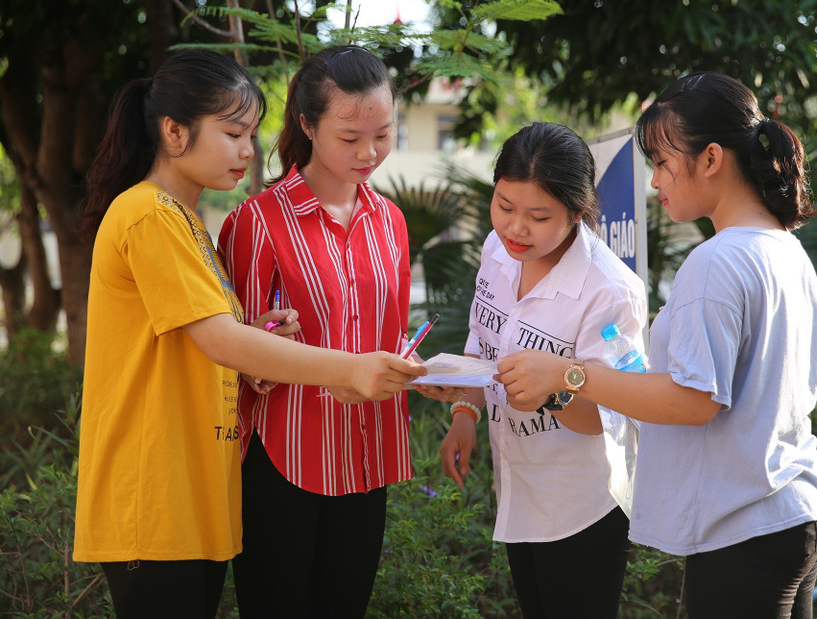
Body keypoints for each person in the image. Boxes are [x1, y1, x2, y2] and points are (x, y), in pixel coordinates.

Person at [74, 48, 423, 619]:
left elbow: (209, 343)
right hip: (156, 495)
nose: (247, 150)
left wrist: (258, 337)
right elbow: (218, 340)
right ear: (173, 130)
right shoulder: (149, 214)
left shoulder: (185, 222)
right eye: (233, 133)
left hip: (192, 494)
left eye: (251, 134)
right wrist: (350, 367)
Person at [497, 72, 817, 619]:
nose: (655, 182)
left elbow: (694, 401)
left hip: (745, 526)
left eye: (661, 162)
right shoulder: (785, 247)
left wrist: (570, 375)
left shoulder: (716, 261)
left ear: (710, 159)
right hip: (800, 512)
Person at [416, 122, 648, 618]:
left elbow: (612, 414)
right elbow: (484, 340)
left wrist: (555, 389)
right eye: (504, 206)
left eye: (538, 216)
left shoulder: (610, 290)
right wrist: (464, 410)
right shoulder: (497, 250)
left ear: (578, 211)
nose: (515, 229)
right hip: (517, 485)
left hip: (581, 505)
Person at [216, 45, 414, 618]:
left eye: (383, 134)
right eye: (350, 138)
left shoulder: (391, 223)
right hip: (284, 459)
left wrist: (427, 374)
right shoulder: (257, 222)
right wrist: (263, 346)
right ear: (307, 124)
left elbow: (394, 336)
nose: (369, 152)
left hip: (366, 456)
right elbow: (237, 359)